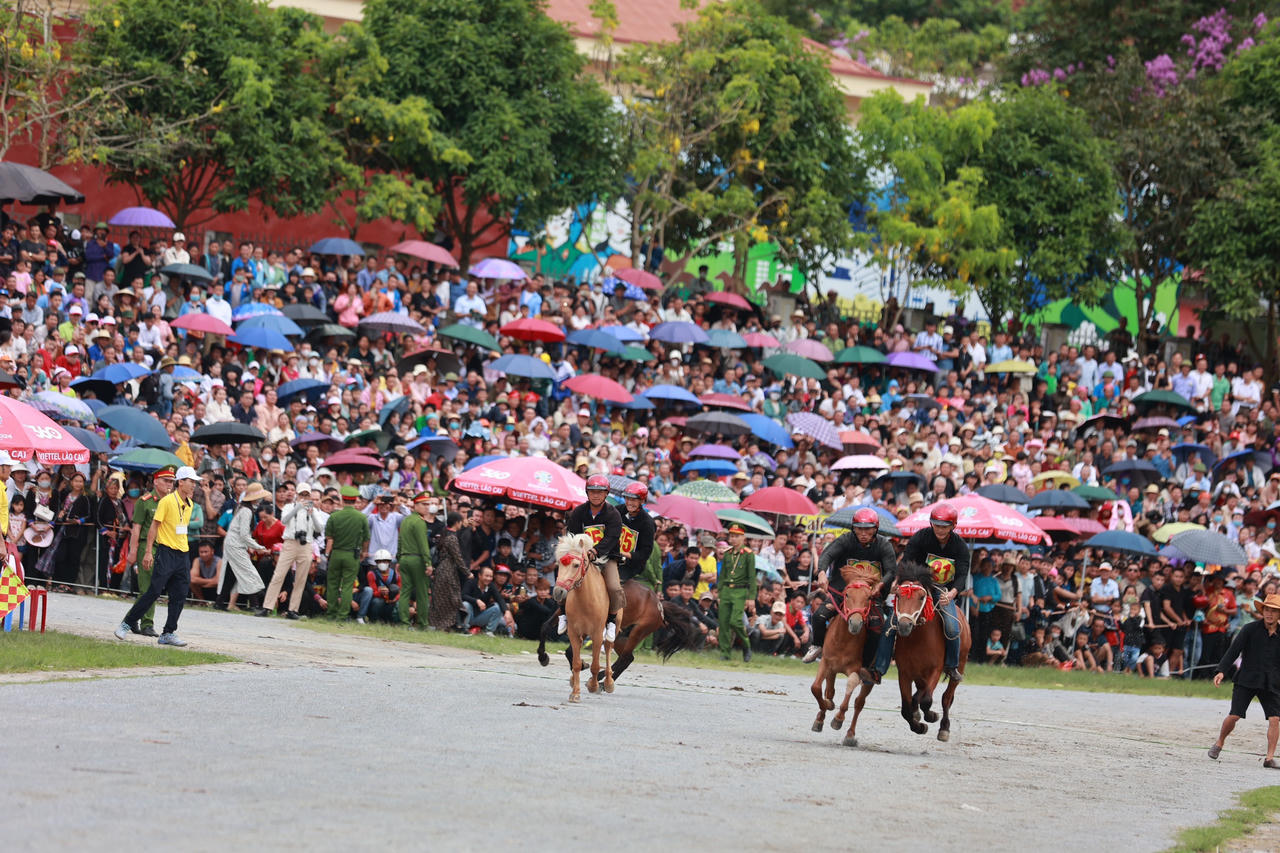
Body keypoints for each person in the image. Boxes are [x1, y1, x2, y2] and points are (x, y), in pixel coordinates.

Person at [865, 502, 970, 685]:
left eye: (944, 526)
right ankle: (879, 669)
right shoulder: (921, 537)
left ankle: (952, 666)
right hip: (916, 586)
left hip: (943, 591)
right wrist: (896, 583)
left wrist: (952, 593)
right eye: (936, 525)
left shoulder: (960, 546)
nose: (939, 529)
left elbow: (962, 575)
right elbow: (906, 562)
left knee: (953, 627)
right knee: (891, 624)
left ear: (953, 526)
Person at [115, 465, 200, 646]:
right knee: (153, 591)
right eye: (191, 481)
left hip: (182, 553)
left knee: (179, 594)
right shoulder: (167, 501)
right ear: (181, 482)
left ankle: (168, 632)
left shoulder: (190, 504)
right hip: (166, 551)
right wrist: (147, 552)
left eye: (195, 482)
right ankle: (127, 623)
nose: (194, 485)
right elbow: (154, 526)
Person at [803, 506, 897, 663]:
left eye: (868, 529)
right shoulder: (846, 539)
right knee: (819, 616)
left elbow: (891, 571)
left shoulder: (884, 545)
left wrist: (880, 585)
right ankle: (817, 645)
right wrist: (821, 572)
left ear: (876, 528)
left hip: (870, 597)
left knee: (876, 629)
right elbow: (827, 554)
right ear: (853, 528)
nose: (863, 533)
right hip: (842, 593)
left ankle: (867, 665)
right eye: (859, 529)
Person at [1209, 593, 1280, 767]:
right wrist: (1221, 671)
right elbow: (1233, 651)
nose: (1269, 613)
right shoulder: (1249, 629)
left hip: (1271, 682)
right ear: (1262, 611)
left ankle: (1269, 758)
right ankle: (1219, 742)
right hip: (1246, 679)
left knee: (1275, 719)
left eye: (1274, 611)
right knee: (1234, 716)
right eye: (1267, 610)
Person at [563, 473, 624, 642]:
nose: (596, 495)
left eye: (600, 491)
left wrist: (595, 552)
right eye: (592, 491)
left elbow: (611, 538)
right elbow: (573, 534)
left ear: (606, 494)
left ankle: (611, 620)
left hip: (607, 555)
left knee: (613, 587)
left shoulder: (613, 514)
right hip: (582, 555)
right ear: (587, 492)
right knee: (563, 576)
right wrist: (580, 553)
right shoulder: (578, 512)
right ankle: (563, 613)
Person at [259, 481, 324, 618]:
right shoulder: (289, 507)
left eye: (307, 495)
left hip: (306, 544)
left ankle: (293, 610)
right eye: (302, 494)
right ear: (297, 494)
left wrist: (311, 513)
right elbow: (284, 520)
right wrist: (298, 507)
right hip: (289, 543)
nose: (304, 497)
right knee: (279, 575)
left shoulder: (314, 510)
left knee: (300, 578)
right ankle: (267, 607)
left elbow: (319, 528)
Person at [124, 466, 175, 636]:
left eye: (172, 481)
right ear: (156, 482)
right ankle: (147, 623)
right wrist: (133, 550)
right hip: (148, 546)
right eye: (166, 481)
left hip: (165, 547)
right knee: (149, 588)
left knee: (154, 587)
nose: (170, 485)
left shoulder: (172, 502)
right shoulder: (145, 501)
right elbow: (136, 528)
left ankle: (129, 620)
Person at [219, 482, 269, 610]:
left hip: (233, 544)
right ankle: (256, 604)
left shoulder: (243, 508)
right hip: (236, 545)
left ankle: (219, 603)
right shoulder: (247, 510)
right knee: (250, 573)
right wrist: (260, 547)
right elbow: (244, 535)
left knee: (231, 575)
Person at [323, 486, 370, 621]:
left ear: (342, 500)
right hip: (352, 555)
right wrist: (364, 552)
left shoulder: (334, 516)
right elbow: (366, 539)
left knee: (332, 584)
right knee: (348, 585)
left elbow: (329, 538)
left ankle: (331, 613)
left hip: (336, 553)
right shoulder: (361, 517)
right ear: (355, 500)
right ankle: (342, 615)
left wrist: (327, 554)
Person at [718, 524, 756, 662]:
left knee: (735, 621)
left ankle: (746, 646)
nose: (733, 539)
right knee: (723, 622)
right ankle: (725, 653)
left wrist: (751, 598)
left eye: (736, 536)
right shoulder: (727, 554)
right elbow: (722, 575)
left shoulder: (748, 555)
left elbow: (752, 577)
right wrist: (720, 592)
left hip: (740, 591)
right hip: (727, 590)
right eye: (731, 536)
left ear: (743, 538)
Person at [396, 492, 433, 628]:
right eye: (424, 504)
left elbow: (399, 541)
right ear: (415, 505)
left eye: (428, 504)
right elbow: (423, 545)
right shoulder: (419, 522)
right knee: (422, 593)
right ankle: (422, 623)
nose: (427, 507)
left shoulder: (406, 520)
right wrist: (428, 563)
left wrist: (399, 559)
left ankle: (404, 622)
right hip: (417, 559)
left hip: (405, 559)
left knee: (405, 591)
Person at [428, 511, 468, 631]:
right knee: (452, 599)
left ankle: (441, 624)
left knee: (442, 599)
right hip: (448, 570)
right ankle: (452, 624)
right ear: (457, 523)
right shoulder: (452, 538)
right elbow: (458, 557)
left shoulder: (446, 534)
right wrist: (467, 572)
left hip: (442, 569)